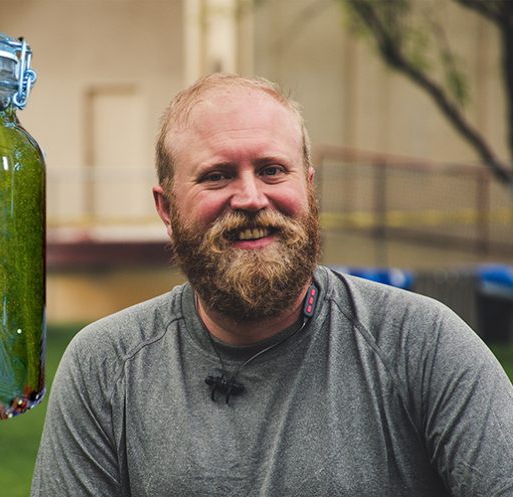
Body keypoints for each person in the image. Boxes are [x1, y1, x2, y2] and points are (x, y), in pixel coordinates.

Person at [30, 73, 513, 496]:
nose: (251, 198)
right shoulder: (106, 368)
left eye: (272, 170)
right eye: (216, 176)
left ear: (308, 187)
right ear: (166, 210)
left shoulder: (423, 346)